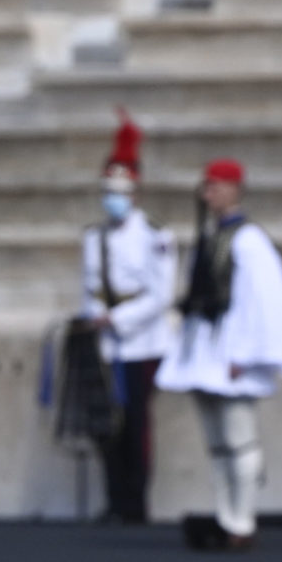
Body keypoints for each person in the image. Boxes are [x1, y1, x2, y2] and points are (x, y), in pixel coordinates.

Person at [156, 160, 282, 551]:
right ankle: (227, 515)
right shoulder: (209, 237)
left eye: (216, 187)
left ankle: (242, 519)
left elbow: (260, 302)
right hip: (206, 348)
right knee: (218, 442)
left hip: (232, 350)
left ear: (234, 190)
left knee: (239, 438)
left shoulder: (249, 241)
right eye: (206, 187)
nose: (208, 195)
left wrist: (247, 353)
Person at [80, 111, 177, 523]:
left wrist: (118, 319)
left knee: (136, 423)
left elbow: (162, 293)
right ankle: (113, 496)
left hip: (142, 342)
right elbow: (88, 286)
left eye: (121, 189)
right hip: (106, 345)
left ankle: (136, 501)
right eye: (108, 189)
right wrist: (94, 314)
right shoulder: (94, 236)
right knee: (106, 425)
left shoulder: (156, 235)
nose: (114, 197)